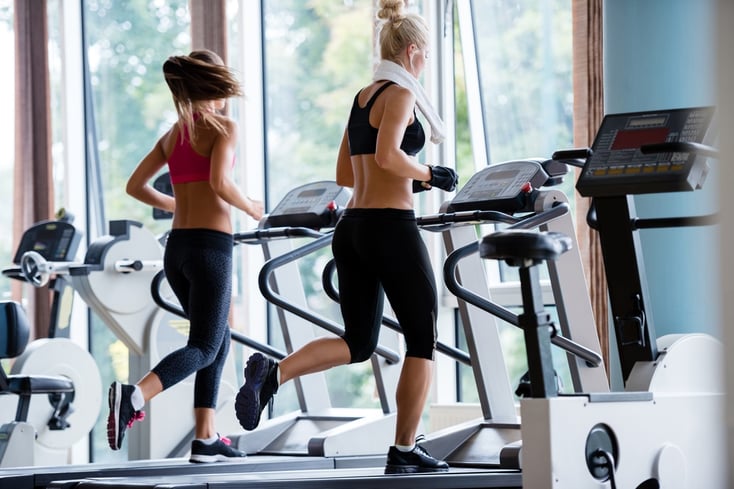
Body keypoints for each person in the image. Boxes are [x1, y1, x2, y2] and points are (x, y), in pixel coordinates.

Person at [234, 0, 456, 474]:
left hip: (351, 230)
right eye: (428, 56)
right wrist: (431, 174)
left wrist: (410, 176)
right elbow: (389, 158)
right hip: (390, 229)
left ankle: (272, 373)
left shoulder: (363, 96)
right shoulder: (400, 94)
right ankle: (403, 450)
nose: (427, 64)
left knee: (358, 343)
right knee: (423, 338)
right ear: (414, 52)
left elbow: (345, 171)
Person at [108, 49, 264, 463]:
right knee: (203, 345)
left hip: (176, 250)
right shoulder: (224, 127)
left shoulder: (174, 133)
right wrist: (251, 207)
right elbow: (219, 181)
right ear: (213, 86)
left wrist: (178, 205)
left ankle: (205, 438)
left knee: (218, 341)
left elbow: (135, 187)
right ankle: (134, 395)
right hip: (211, 248)